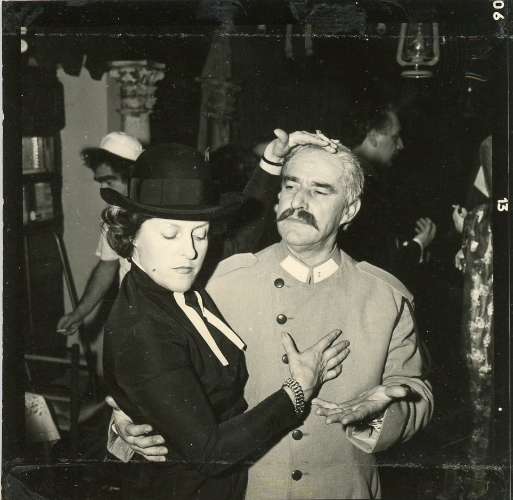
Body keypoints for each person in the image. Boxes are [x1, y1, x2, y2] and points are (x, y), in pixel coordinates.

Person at [108, 132, 433, 499]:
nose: (299, 200)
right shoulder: (214, 282)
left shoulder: (386, 298)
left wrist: (377, 416)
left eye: (320, 190)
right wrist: (126, 424)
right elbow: (152, 367)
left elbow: (416, 391)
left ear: (350, 210)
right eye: (291, 185)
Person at [339, 100, 437, 286]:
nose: (401, 145)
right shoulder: (367, 186)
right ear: (373, 137)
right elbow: (384, 266)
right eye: (395, 137)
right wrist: (419, 244)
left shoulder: (345, 170)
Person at [56, 132, 143, 335]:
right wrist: (79, 313)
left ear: (132, 177)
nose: (103, 189)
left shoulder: (160, 214)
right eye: (100, 182)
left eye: (109, 181)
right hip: (131, 314)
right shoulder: (113, 215)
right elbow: (107, 267)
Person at [450, 135, 494, 499]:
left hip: (486, 342)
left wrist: (465, 231)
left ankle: (481, 484)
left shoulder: (482, 217)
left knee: (484, 411)